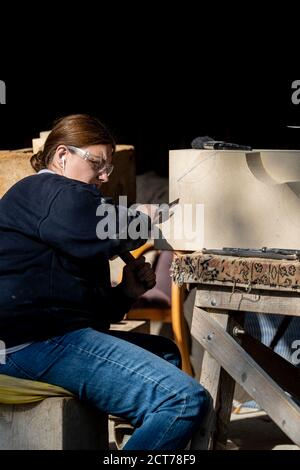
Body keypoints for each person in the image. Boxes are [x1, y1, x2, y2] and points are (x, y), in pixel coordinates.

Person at [0, 114, 209, 450]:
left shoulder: (67, 204)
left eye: (108, 166)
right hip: (30, 343)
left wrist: (125, 292)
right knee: (184, 401)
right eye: (97, 162)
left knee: (166, 353)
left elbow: (85, 313)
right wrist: (146, 218)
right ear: (63, 155)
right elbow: (106, 225)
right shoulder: (47, 190)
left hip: (50, 336)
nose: (104, 174)